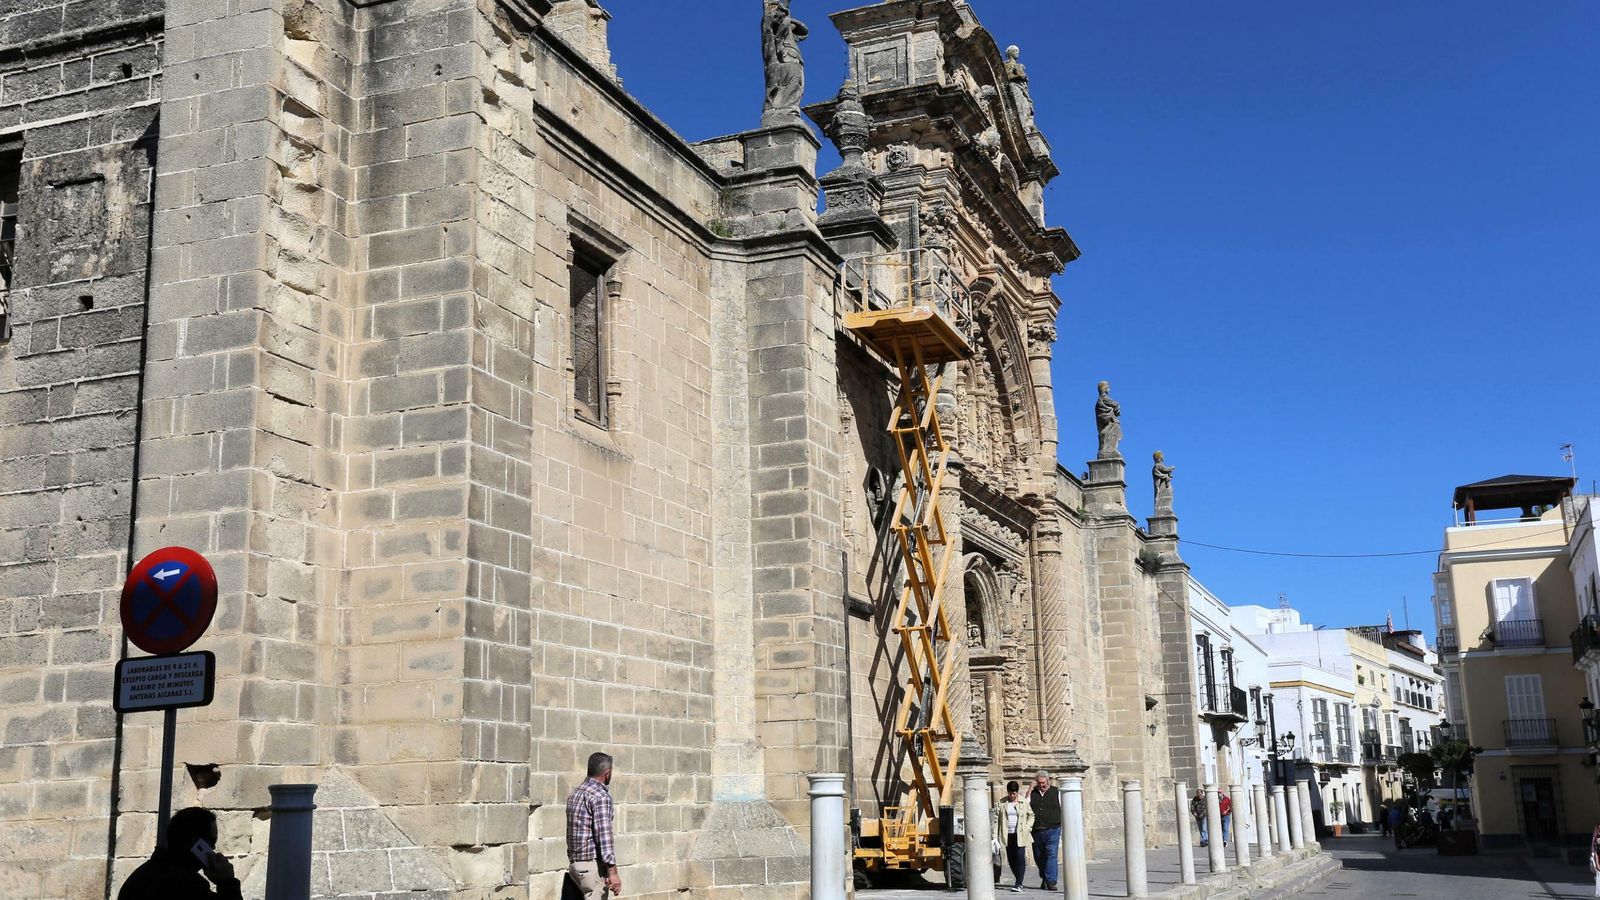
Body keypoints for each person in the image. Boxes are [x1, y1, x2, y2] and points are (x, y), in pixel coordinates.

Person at [118, 806, 241, 900]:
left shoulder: (142, 874)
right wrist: (227, 882)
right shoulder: (188, 884)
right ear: (197, 843)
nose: (213, 848)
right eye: (211, 841)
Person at [566, 752, 621, 899]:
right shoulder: (600, 796)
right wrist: (613, 873)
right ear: (607, 773)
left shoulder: (575, 793)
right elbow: (604, 836)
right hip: (591, 868)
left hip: (575, 866)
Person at [995, 780, 1033, 892]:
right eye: (1010, 793)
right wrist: (994, 836)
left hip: (1020, 834)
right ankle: (1018, 879)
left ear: (1017, 792)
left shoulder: (1023, 802)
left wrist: (1027, 827)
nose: (1012, 795)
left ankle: (1019, 883)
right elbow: (996, 820)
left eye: (1014, 793)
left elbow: (1031, 816)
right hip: (1007, 834)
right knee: (1011, 859)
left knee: (1020, 857)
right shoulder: (1002, 803)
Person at [1028, 771, 1061, 891]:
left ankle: (1051, 881)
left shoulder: (1056, 792)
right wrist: (1030, 788)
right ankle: (1045, 878)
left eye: (1043, 782)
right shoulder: (1033, 792)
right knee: (1039, 856)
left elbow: (1063, 808)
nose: (1041, 785)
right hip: (1036, 830)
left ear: (1048, 781)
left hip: (1053, 828)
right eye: (1039, 783)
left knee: (1051, 854)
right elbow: (1026, 804)